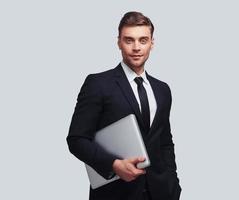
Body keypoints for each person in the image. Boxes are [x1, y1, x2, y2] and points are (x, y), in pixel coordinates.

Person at [67, 11, 181, 200]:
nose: (136, 47)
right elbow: (76, 139)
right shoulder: (98, 84)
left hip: (160, 193)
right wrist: (113, 164)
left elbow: (165, 142)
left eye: (143, 40)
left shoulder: (163, 90)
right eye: (129, 40)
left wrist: (174, 185)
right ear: (119, 42)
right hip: (115, 193)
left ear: (152, 43)